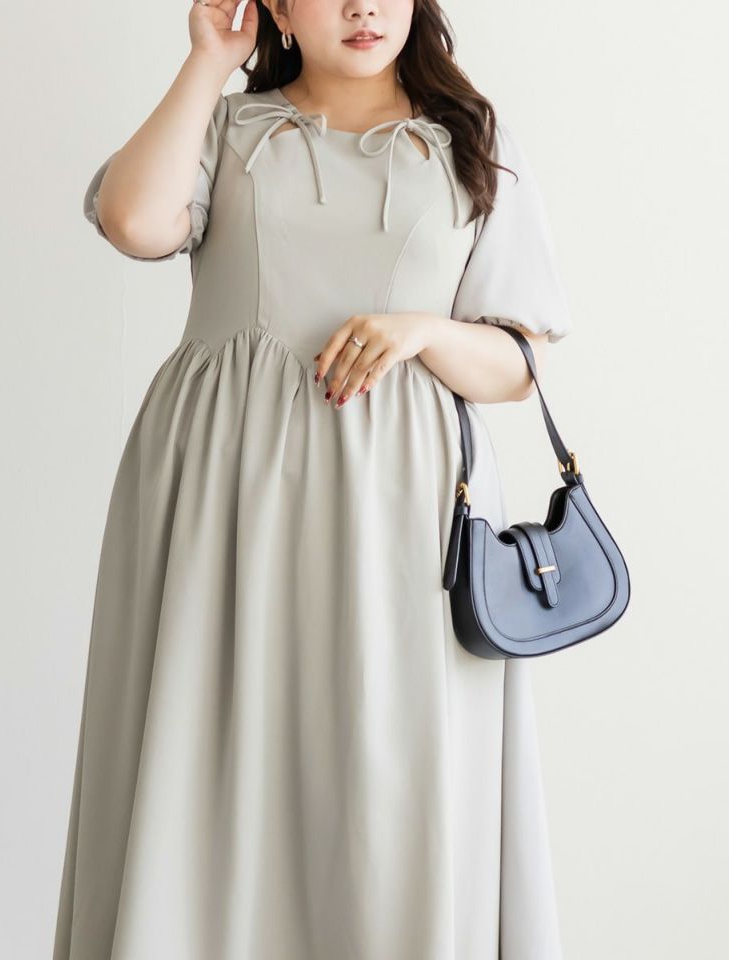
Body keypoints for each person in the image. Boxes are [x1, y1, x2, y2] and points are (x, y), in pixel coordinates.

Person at [53, 1, 572, 957]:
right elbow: (131, 221)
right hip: (220, 493)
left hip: (407, 505)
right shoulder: (229, 127)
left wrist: (423, 331)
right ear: (280, 8)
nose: (364, 7)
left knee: (391, 781)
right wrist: (209, 62)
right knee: (205, 758)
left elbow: (516, 366)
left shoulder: (469, 139)